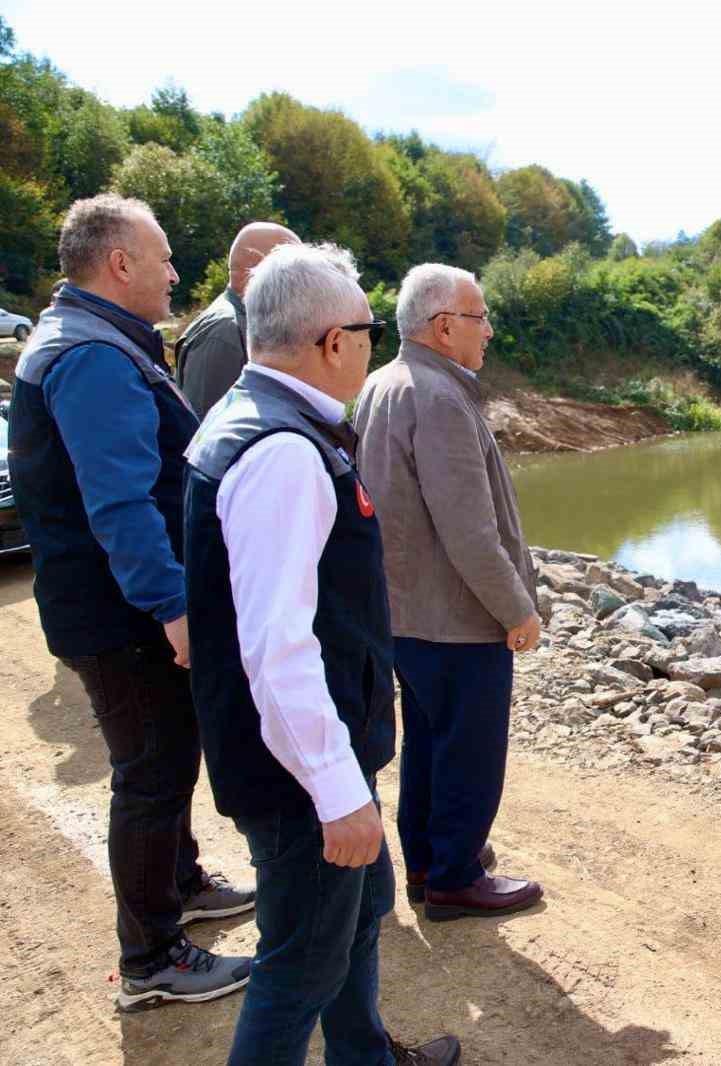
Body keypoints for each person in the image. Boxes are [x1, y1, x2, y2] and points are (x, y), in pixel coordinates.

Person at [183, 242, 458, 1065]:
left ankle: (364, 1056)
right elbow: (280, 649)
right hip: (301, 773)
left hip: (317, 750)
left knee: (357, 917)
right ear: (333, 342)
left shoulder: (257, 419)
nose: (375, 342)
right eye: (370, 327)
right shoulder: (284, 453)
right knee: (299, 963)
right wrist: (338, 793)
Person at [7, 193, 254, 1010]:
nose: (175, 271)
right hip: (122, 617)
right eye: (163, 256)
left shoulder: (96, 341)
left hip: (122, 609)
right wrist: (172, 607)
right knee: (150, 772)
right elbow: (118, 502)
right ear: (119, 264)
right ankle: (152, 959)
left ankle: (179, 883)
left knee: (168, 755)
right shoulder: (93, 356)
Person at [352, 263, 543, 922]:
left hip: (405, 613)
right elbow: (469, 531)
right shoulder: (436, 398)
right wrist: (517, 609)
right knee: (469, 749)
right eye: (479, 316)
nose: (488, 330)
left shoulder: (381, 383)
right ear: (443, 326)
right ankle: (456, 876)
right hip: (456, 617)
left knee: (431, 744)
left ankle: (430, 862)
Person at [175, 222, 300, 417]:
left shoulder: (248, 322)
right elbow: (204, 431)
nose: (302, 281)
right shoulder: (225, 331)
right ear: (257, 268)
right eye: (295, 269)